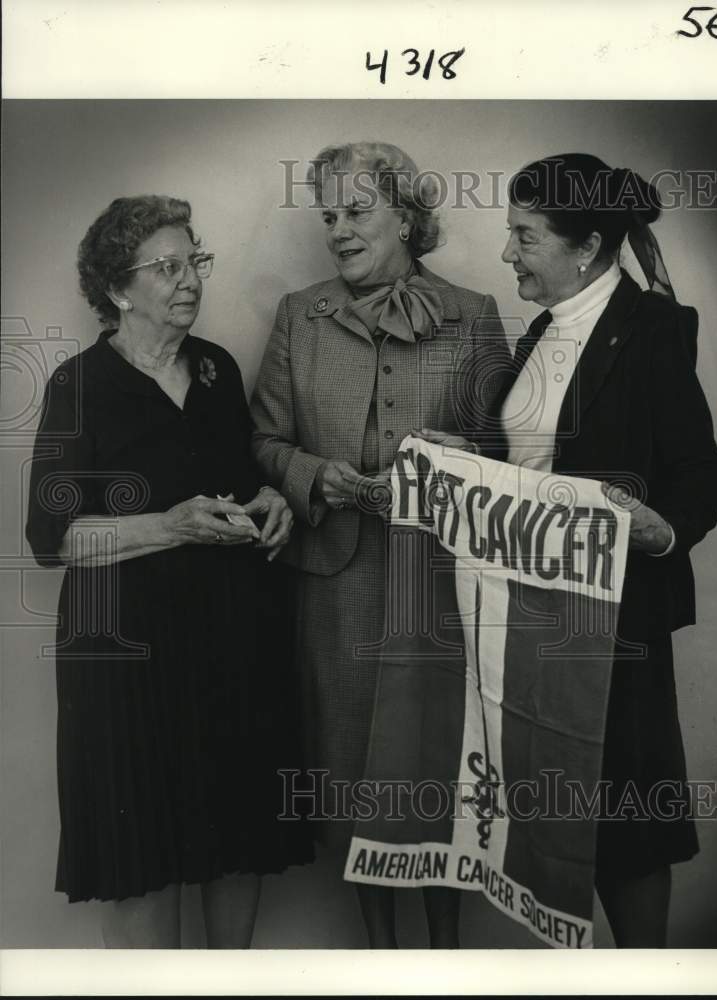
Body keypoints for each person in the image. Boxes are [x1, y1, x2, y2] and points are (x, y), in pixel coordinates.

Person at [415, 153, 717, 947]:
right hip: (526, 616)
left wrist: (660, 527)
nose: (507, 252)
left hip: (613, 619)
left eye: (523, 235)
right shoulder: (539, 335)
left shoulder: (652, 329)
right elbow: (533, 463)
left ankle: (640, 975)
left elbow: (701, 470)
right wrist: (464, 454)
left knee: (622, 813)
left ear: (584, 247)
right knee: (554, 810)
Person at [25, 195, 313, 948]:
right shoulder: (78, 385)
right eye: (168, 267)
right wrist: (168, 525)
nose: (191, 280)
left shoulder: (215, 369)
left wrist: (272, 501)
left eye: (197, 262)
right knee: (142, 848)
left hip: (233, 641)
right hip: (128, 659)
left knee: (237, 836)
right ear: (119, 289)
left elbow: (239, 476)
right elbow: (52, 539)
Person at [250, 141, 510, 948]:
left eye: (356, 211)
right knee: (359, 777)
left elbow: (508, 449)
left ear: (406, 215)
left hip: (443, 587)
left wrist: (464, 457)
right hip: (339, 582)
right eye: (329, 215)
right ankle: (382, 959)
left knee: (435, 770)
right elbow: (262, 440)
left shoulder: (475, 314)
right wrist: (315, 478)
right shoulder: (300, 313)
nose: (339, 230)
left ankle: (443, 955)